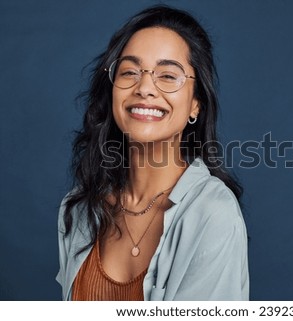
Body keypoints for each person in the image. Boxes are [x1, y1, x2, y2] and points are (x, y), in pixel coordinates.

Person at [56, 5, 249, 301]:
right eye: (130, 71)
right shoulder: (79, 208)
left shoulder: (212, 212)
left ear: (196, 104)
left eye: (168, 76)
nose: (145, 87)